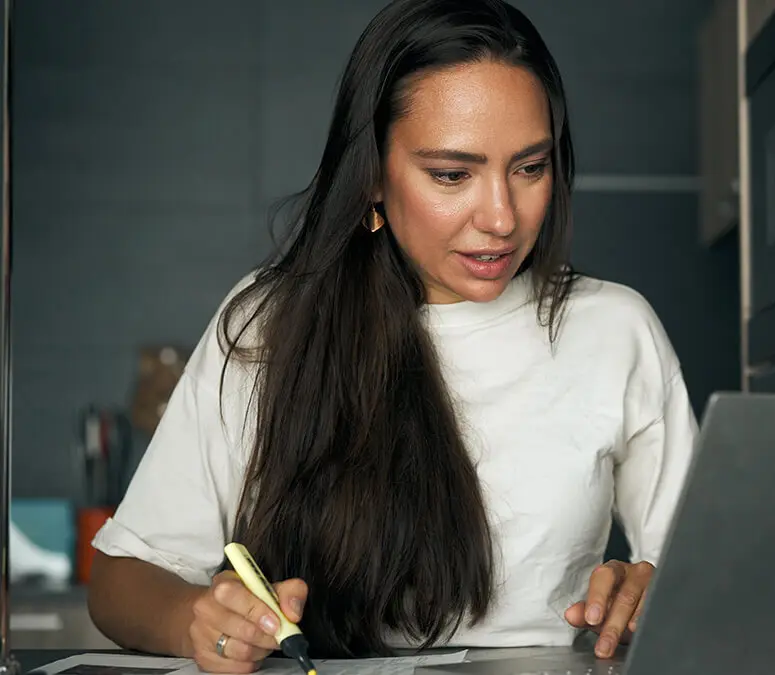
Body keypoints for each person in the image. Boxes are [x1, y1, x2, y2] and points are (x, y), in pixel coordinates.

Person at [85, 0, 697, 672]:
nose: (500, 217)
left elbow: (710, 579)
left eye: (530, 167)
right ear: (373, 176)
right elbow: (121, 578)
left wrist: (652, 590)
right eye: (452, 175)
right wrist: (193, 619)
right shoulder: (269, 323)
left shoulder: (614, 329)